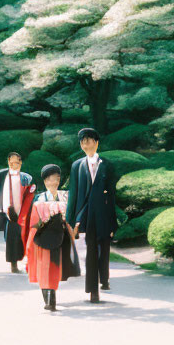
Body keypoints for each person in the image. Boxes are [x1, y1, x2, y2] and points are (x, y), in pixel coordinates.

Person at [19, 164, 80, 312]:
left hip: (60, 237)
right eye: (51, 179)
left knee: (54, 268)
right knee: (43, 267)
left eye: (57, 179)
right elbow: (32, 221)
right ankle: (48, 299)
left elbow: (72, 215)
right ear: (45, 181)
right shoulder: (39, 198)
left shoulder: (65, 196)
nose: (54, 182)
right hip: (43, 238)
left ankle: (51, 298)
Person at [66, 128, 118, 301]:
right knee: (91, 248)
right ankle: (93, 290)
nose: (85, 144)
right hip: (86, 212)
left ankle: (104, 278)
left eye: (88, 140)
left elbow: (111, 195)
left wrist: (113, 222)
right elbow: (73, 193)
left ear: (96, 142)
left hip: (103, 211)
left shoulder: (108, 165)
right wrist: (70, 220)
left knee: (104, 246)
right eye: (82, 141)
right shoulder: (77, 165)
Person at [0, 153, 32, 273]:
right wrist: (3, 211)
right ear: (8, 162)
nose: (14, 164)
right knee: (11, 239)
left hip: (23, 211)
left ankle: (27, 264)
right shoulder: (1, 176)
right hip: (8, 212)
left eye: (17, 162)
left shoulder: (26, 177)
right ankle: (13, 265)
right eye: (12, 162)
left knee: (25, 237)